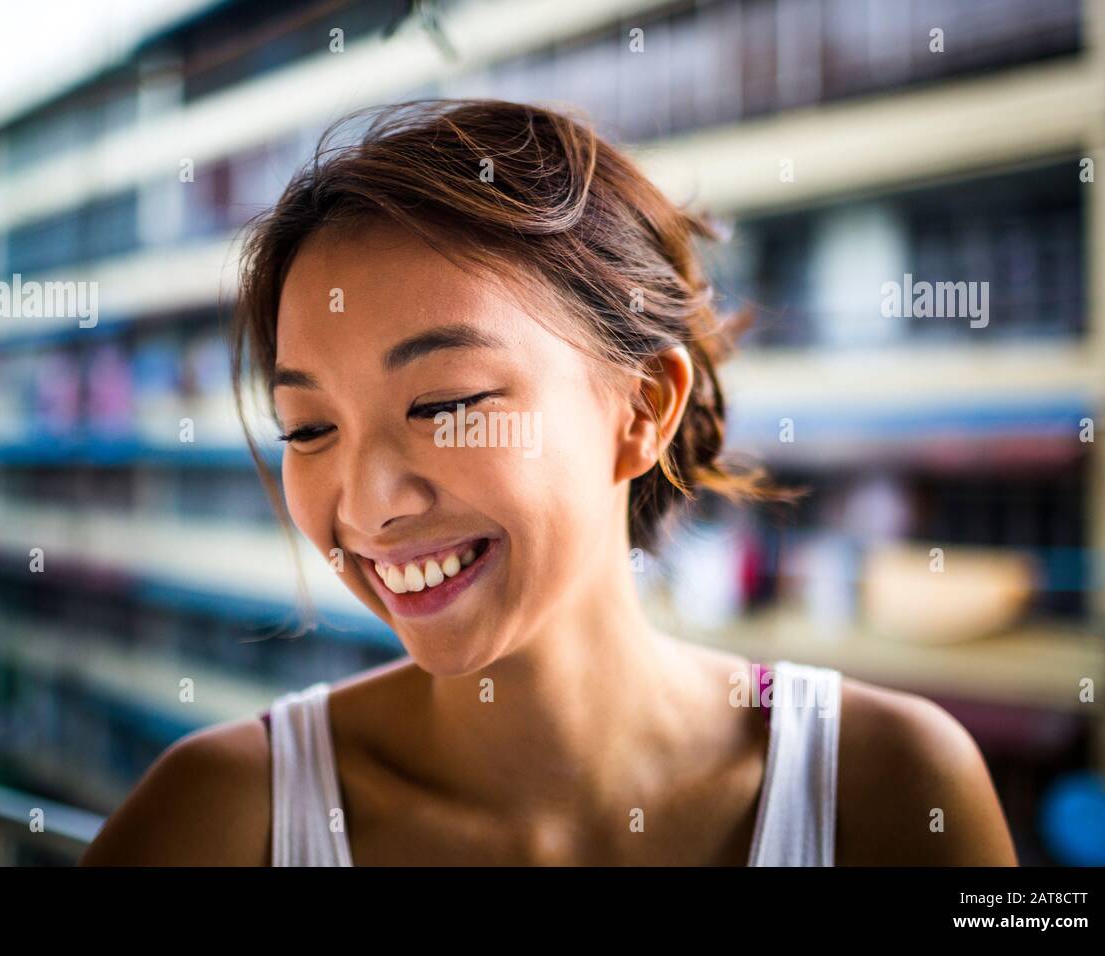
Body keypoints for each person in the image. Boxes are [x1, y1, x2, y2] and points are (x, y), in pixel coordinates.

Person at [80, 99, 1017, 866]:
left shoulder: (888, 789)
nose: (368, 507)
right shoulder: (218, 819)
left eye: (446, 404)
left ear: (643, 406)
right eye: (309, 427)